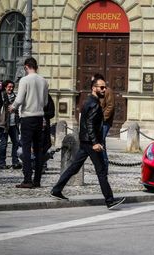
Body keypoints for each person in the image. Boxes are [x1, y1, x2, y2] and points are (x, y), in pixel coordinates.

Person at [50, 76, 125, 210]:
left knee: (74, 167)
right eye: (101, 87)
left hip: (85, 141)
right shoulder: (94, 104)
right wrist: (95, 142)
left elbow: (85, 122)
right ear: (93, 88)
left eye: (104, 87)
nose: (104, 89)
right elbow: (90, 124)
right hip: (90, 143)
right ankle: (110, 200)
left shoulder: (88, 101)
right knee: (101, 171)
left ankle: (56, 190)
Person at [9, 57, 48, 188]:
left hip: (27, 117)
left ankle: (27, 179)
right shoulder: (44, 81)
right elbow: (46, 102)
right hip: (39, 117)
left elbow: (19, 99)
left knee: (26, 149)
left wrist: (12, 107)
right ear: (36, 66)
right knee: (38, 150)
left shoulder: (25, 80)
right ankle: (37, 180)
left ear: (26, 67)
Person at [0, 80, 21, 169]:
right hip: (4, 124)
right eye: (9, 87)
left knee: (16, 143)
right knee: (3, 144)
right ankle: (2, 163)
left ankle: (15, 162)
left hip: (14, 124)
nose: (11, 88)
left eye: (12, 87)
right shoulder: (1, 96)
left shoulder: (15, 97)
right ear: (5, 87)